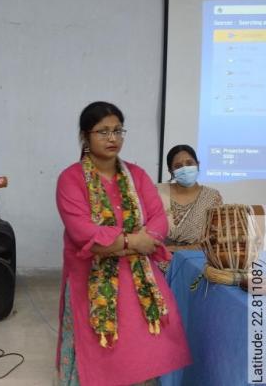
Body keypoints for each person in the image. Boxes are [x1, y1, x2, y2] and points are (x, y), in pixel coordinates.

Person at [56, 102, 191, 386]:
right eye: (103, 131)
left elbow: (158, 221)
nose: (112, 138)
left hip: (138, 274)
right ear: (85, 136)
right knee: (97, 349)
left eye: (118, 130)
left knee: (145, 345)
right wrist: (133, 240)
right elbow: (84, 233)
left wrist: (127, 244)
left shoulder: (137, 175)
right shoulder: (70, 179)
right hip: (89, 277)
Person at [157, 145, 223, 248]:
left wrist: (181, 250)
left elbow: (216, 239)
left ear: (198, 165)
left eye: (189, 163)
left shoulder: (212, 197)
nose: (185, 169)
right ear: (171, 171)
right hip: (158, 254)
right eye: (178, 166)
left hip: (197, 256)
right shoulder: (157, 192)